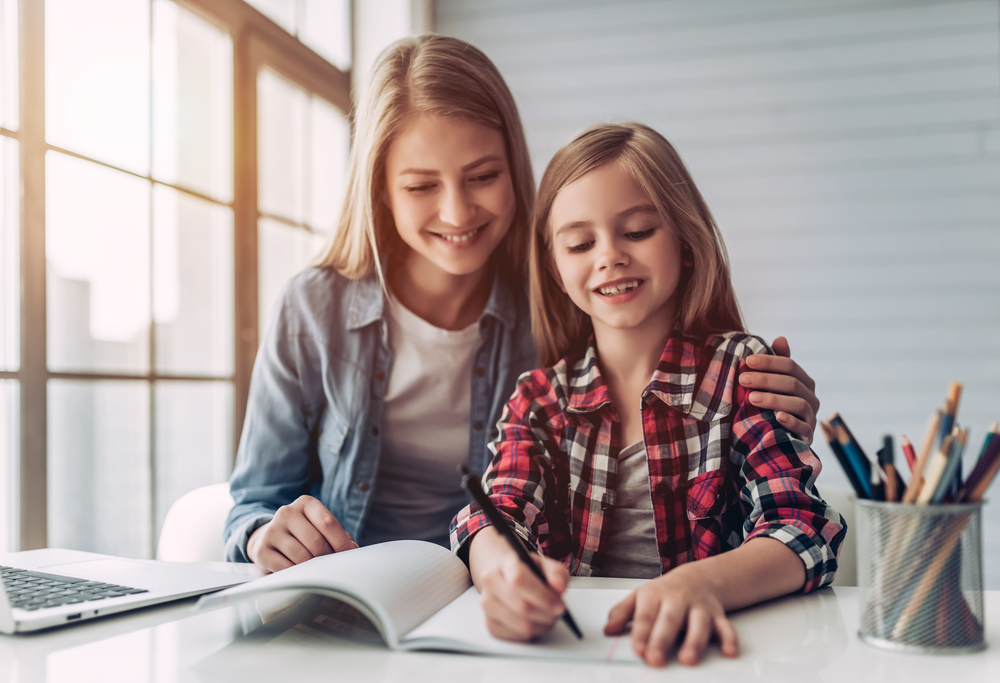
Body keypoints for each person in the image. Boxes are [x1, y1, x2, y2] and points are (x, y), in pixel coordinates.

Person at [224, 36, 823, 575]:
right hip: (359, 587)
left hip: (492, 592)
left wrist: (778, 407)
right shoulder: (313, 309)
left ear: (515, 167)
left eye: (482, 175)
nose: (457, 213)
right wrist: (261, 536)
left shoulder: (554, 306)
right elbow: (254, 503)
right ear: (380, 188)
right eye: (421, 186)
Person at [451, 123, 846, 668]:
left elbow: (803, 527)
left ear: (685, 242)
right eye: (581, 243)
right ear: (556, 270)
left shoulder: (740, 370)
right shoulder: (538, 401)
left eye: (636, 231)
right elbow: (494, 515)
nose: (609, 256)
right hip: (575, 656)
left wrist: (703, 584)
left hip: (710, 656)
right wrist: (504, 571)